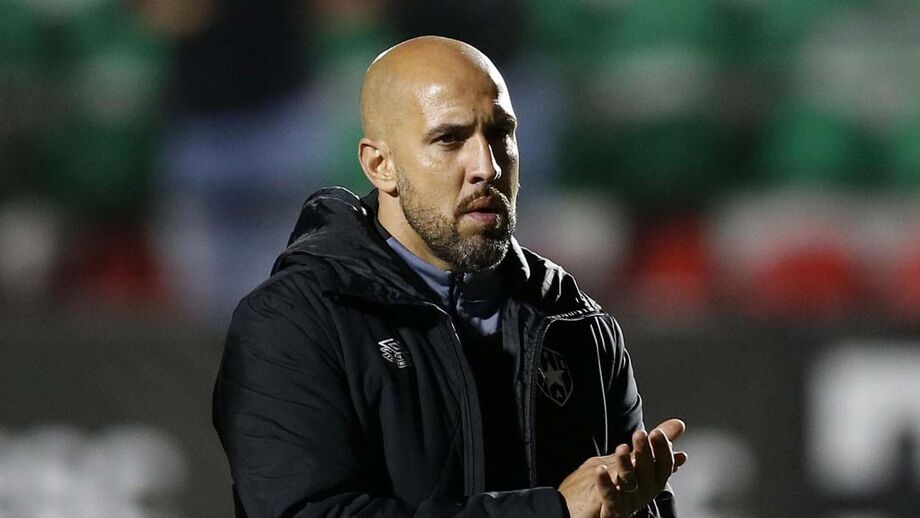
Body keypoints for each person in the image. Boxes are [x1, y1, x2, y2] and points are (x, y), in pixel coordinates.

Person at [212, 36, 687, 518]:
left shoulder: (574, 322)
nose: (488, 166)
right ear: (381, 165)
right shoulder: (294, 322)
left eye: (500, 133)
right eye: (450, 139)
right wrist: (550, 511)